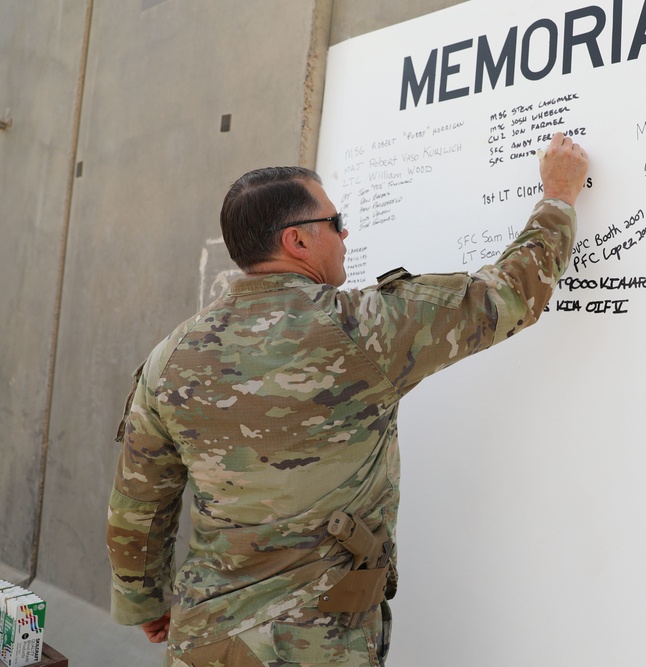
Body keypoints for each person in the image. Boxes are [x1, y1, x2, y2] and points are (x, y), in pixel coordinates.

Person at [107, 132, 588, 666]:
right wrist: (558, 199)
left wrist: (144, 601)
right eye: (335, 223)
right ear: (297, 241)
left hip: (204, 637)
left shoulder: (169, 357)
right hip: (316, 645)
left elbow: (141, 502)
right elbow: (510, 294)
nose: (345, 233)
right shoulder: (363, 329)